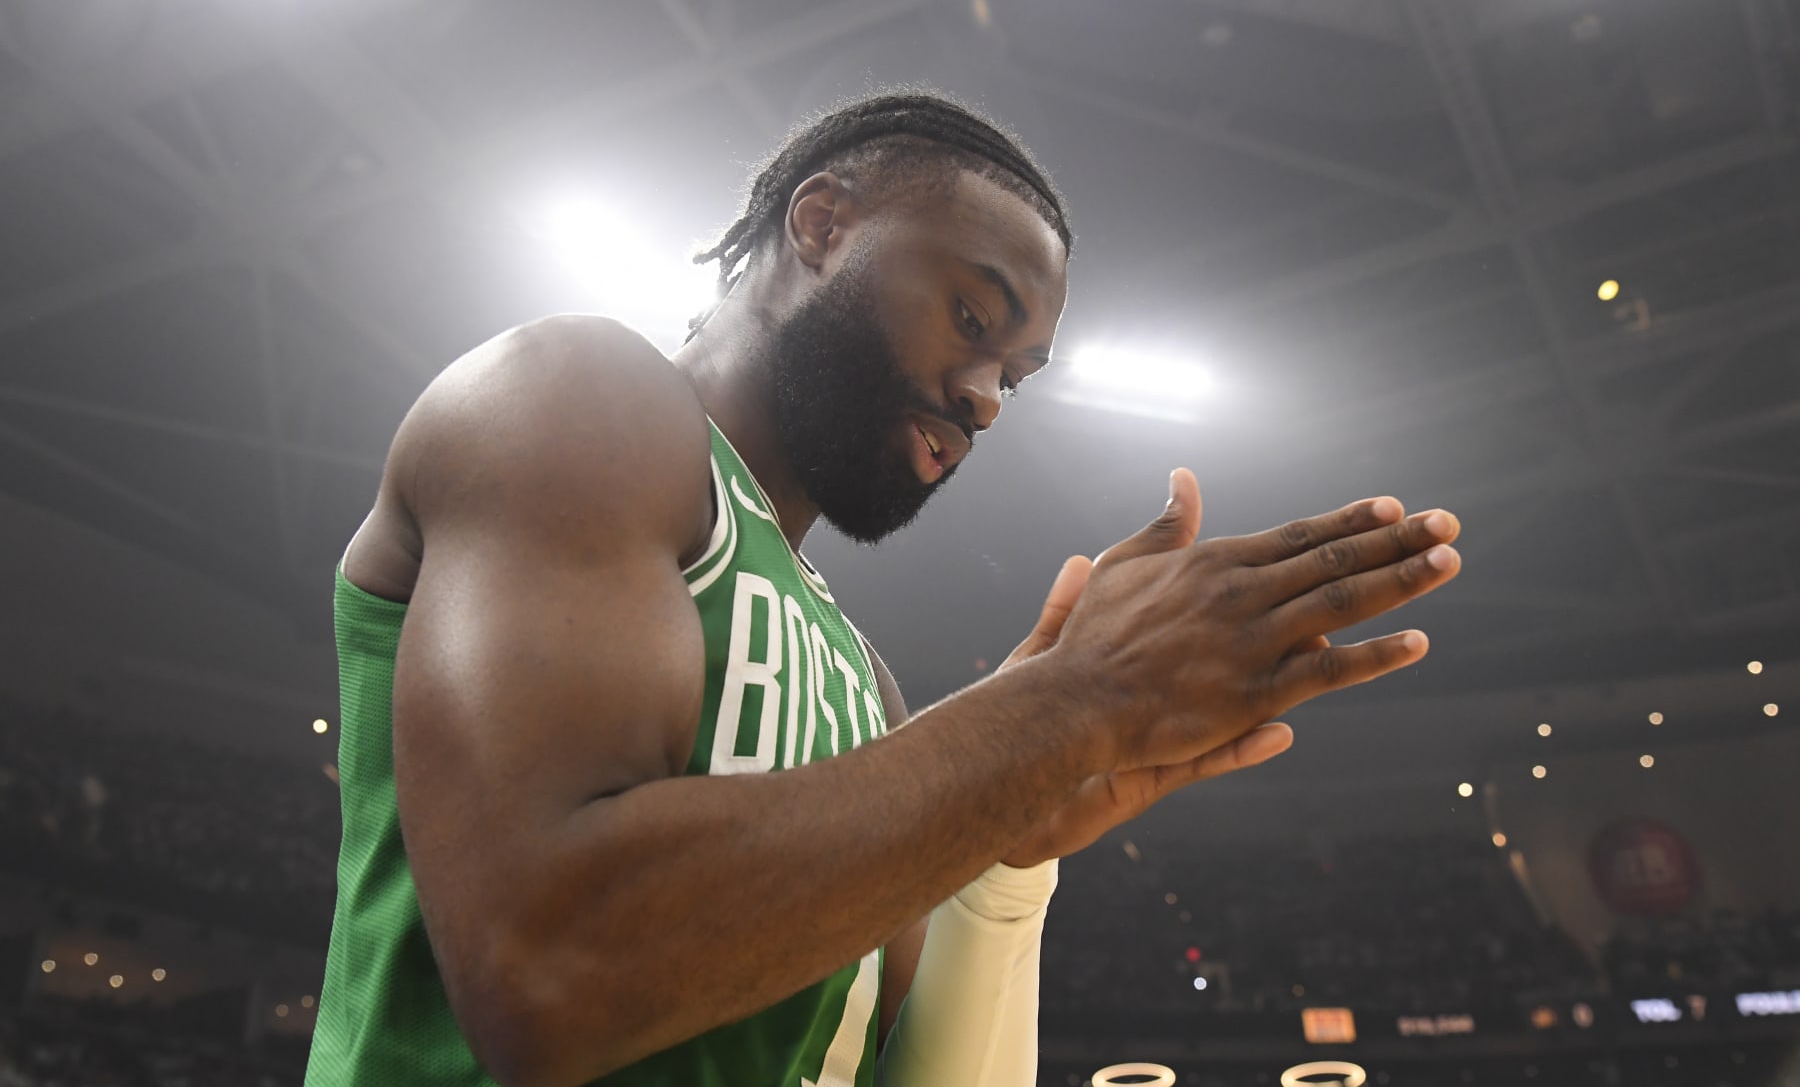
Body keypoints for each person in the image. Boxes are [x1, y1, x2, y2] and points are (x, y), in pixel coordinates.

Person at [303, 92, 1461, 1086]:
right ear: (822, 222)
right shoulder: (572, 395)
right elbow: (547, 974)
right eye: (972, 318)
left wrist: (1009, 860)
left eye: (1015, 374)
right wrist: (1069, 705)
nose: (989, 398)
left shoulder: (869, 689)